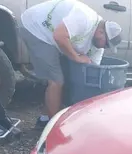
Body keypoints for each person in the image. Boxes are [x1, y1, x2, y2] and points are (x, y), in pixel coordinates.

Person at [20, 0, 122, 128]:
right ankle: (53, 128)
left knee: (65, 77)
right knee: (56, 81)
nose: (105, 47)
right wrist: (76, 57)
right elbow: (59, 36)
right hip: (36, 27)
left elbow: (91, 71)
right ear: (101, 32)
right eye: (106, 44)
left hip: (55, 36)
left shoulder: (98, 46)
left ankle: (44, 118)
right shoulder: (85, 19)